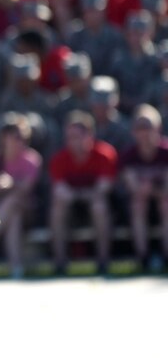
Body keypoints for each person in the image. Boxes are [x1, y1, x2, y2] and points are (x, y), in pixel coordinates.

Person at [49, 111, 118, 275]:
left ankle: (103, 262)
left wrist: (79, 194)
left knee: (98, 207)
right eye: (69, 137)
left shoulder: (105, 154)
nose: (73, 142)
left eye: (77, 136)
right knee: (57, 208)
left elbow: (104, 188)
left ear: (90, 135)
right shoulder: (59, 159)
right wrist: (80, 195)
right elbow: (60, 190)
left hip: (102, 204)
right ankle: (60, 263)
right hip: (73, 205)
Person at [0, 116, 42, 277]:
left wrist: (11, 183)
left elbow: (26, 190)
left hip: (28, 210)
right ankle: (16, 267)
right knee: (14, 216)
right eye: (15, 136)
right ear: (3, 138)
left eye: (23, 137)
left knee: (13, 201)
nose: (19, 141)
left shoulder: (32, 160)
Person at [120, 105, 168, 272]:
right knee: (138, 204)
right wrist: (152, 189)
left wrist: (153, 189)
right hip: (138, 205)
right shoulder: (128, 155)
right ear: (133, 132)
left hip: (162, 202)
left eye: (148, 127)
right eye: (140, 128)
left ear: (158, 128)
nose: (145, 133)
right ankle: (144, 257)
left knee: (165, 204)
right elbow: (134, 188)